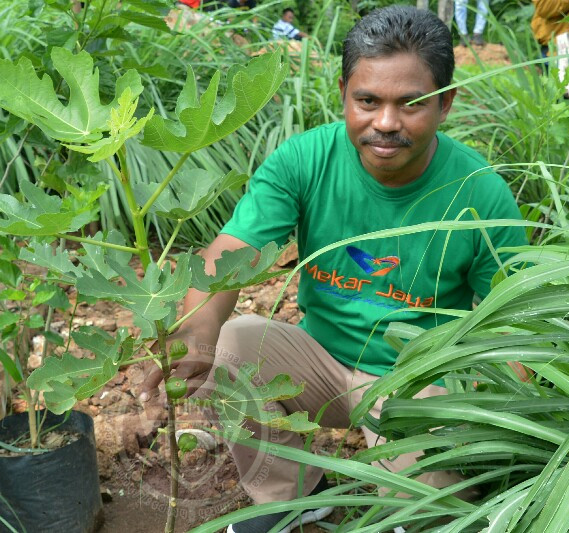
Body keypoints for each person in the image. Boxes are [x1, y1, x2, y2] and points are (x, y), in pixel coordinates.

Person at [140, 6, 526, 533]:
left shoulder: (481, 192)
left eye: (411, 104)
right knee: (232, 344)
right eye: (367, 101)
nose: (386, 123)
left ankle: (421, 504)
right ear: (344, 91)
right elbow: (233, 250)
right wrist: (196, 333)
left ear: (445, 103)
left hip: (415, 378)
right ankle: (290, 494)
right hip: (318, 361)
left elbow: (515, 317)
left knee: (422, 511)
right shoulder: (305, 159)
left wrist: (517, 435)